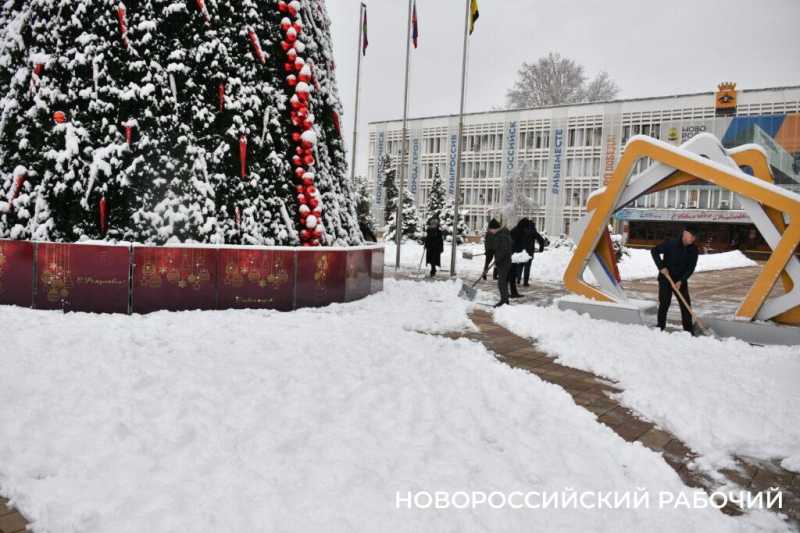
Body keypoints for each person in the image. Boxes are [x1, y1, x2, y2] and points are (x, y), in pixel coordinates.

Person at [651, 225, 700, 334]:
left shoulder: (693, 249)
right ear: (685, 233)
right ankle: (660, 327)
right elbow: (654, 251)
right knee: (664, 303)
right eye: (692, 236)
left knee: (686, 305)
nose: (693, 239)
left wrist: (681, 280)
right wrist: (661, 267)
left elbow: (691, 268)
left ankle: (688, 331)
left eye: (695, 237)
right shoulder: (671, 244)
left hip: (680, 280)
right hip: (666, 279)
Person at [484, 219, 518, 307]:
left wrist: (497, 258)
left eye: (491, 229)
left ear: (495, 228)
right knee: (502, 282)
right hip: (503, 261)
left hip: (504, 262)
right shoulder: (500, 235)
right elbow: (498, 248)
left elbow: (504, 250)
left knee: (501, 282)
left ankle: (504, 301)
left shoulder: (502, 236)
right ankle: (505, 300)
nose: (490, 231)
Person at [516, 219, 546, 286]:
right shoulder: (533, 231)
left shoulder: (520, 230)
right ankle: (525, 282)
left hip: (520, 251)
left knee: (519, 266)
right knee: (527, 267)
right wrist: (541, 248)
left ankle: (518, 280)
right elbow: (541, 240)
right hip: (529, 252)